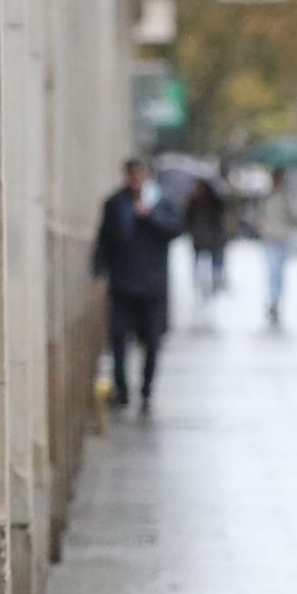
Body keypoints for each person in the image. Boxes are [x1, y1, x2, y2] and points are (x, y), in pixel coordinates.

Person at [92, 159, 183, 413]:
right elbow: (105, 237)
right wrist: (99, 267)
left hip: (153, 286)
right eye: (131, 175)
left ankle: (146, 389)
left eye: (139, 175)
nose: (135, 180)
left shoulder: (162, 201)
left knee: (152, 341)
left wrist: (149, 215)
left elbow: (175, 229)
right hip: (122, 283)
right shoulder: (115, 202)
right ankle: (122, 390)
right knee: (118, 338)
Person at [253, 168, 297, 328]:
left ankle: (277, 299)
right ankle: (272, 300)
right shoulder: (266, 198)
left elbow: (295, 214)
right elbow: (258, 215)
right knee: (272, 269)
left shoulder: (286, 197)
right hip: (269, 237)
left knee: (279, 271)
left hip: (283, 237)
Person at [185, 173, 233, 300]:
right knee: (199, 265)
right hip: (199, 238)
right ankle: (201, 287)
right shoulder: (193, 201)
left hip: (214, 238)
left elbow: (223, 210)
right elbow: (187, 218)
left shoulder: (214, 201)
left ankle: (214, 286)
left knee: (215, 265)